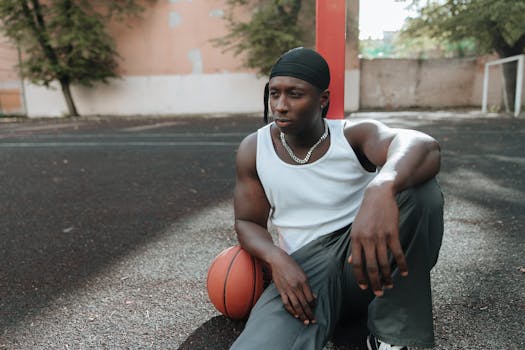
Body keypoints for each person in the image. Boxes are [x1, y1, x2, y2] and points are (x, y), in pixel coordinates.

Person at [230, 47, 444, 350]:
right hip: (304, 275)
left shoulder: (351, 136)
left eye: (294, 94)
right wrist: (276, 259)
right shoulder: (254, 149)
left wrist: (382, 185)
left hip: (363, 261)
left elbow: (424, 145)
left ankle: (390, 336)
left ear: (323, 100)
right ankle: (342, 324)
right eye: (274, 94)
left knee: (419, 190)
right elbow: (247, 222)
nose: (280, 105)